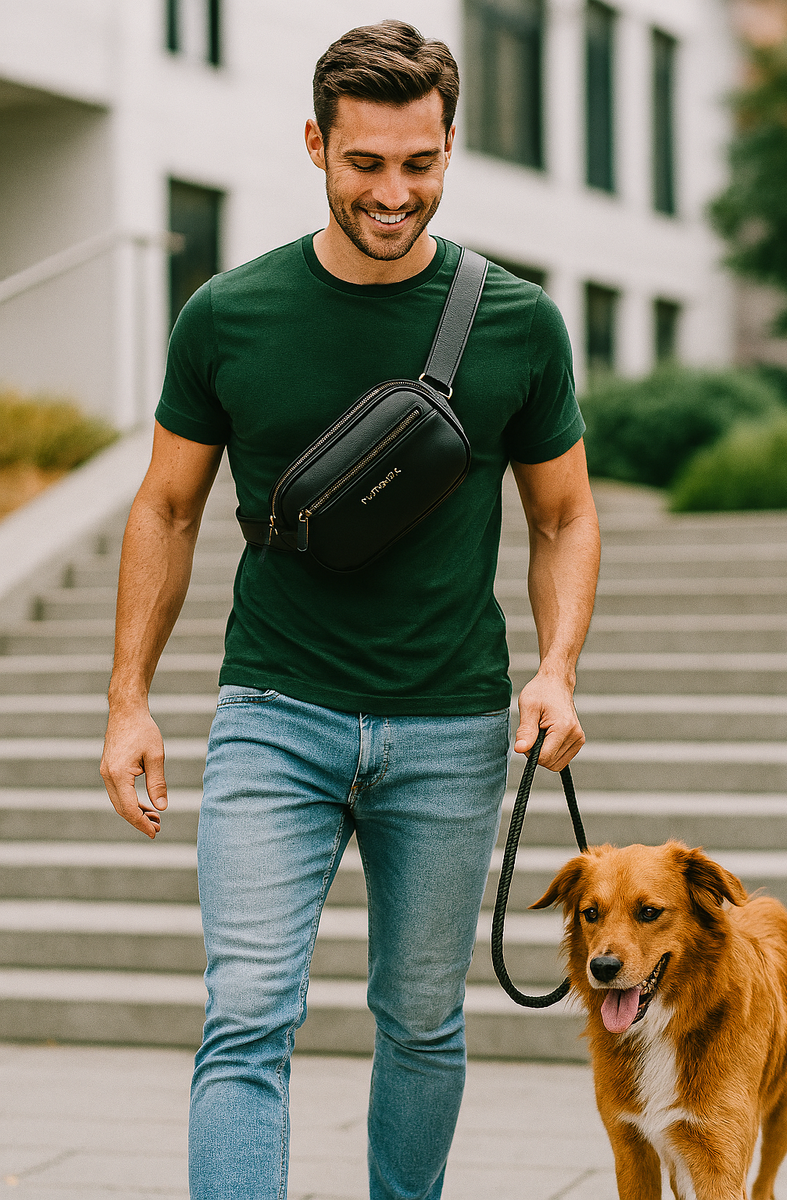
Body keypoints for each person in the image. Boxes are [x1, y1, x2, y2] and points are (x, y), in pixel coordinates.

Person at [100, 19, 600, 1200]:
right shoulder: (228, 314)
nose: (393, 192)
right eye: (366, 162)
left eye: (419, 163)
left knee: (422, 1023)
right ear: (316, 145)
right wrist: (128, 702)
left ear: (447, 149)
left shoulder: (517, 321)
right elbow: (166, 509)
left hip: (450, 728)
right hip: (276, 711)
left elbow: (564, 517)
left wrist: (557, 669)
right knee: (246, 1016)